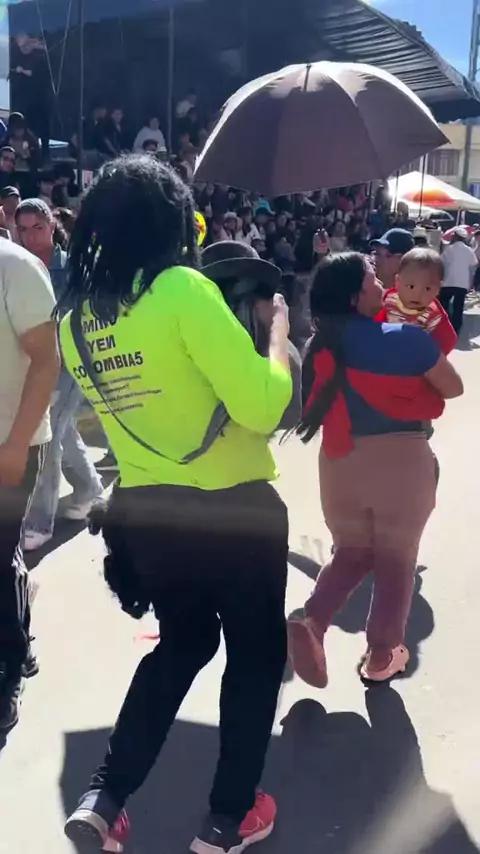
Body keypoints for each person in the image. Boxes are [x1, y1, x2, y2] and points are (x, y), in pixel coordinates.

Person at [59, 155, 292, 854]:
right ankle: (227, 818)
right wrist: (277, 337)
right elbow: (263, 405)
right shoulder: (184, 289)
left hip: (153, 520)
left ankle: (105, 797)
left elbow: (135, 410)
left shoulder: (77, 322)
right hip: (237, 515)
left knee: (182, 645)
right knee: (253, 660)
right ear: (170, 221)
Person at [288, 252, 463, 688]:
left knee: (352, 551)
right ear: (355, 295)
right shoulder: (407, 339)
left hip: (339, 463)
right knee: (396, 559)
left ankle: (313, 620)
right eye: (371, 277)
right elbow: (453, 388)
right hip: (400, 462)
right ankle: (383, 653)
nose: (381, 282)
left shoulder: (319, 347)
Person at [15, 200, 103, 551]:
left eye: (38, 227)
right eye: (24, 229)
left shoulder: (73, 267)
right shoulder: (20, 266)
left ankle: (40, 521)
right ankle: (89, 490)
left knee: (47, 433)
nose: (31, 236)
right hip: (34, 362)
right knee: (62, 430)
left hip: (69, 363)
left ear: (52, 225)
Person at [0, 236, 60, 730]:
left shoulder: (15, 269)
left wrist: (17, 445)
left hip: (9, 445)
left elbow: (46, 361)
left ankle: (9, 667)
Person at [377, 248, 457, 355]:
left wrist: (430, 356)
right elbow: (375, 322)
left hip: (413, 358)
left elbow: (448, 341)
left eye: (427, 289)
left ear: (438, 289)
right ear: (398, 282)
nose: (417, 295)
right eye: (411, 286)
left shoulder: (433, 315)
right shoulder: (389, 300)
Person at [439, 227, 478, 334]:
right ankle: (456, 329)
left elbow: (441, 262)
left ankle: (444, 323)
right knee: (458, 307)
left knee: (443, 304)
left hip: (448, 281)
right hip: (462, 283)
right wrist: (470, 282)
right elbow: (474, 265)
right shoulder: (468, 250)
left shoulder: (449, 249)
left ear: (455, 237)